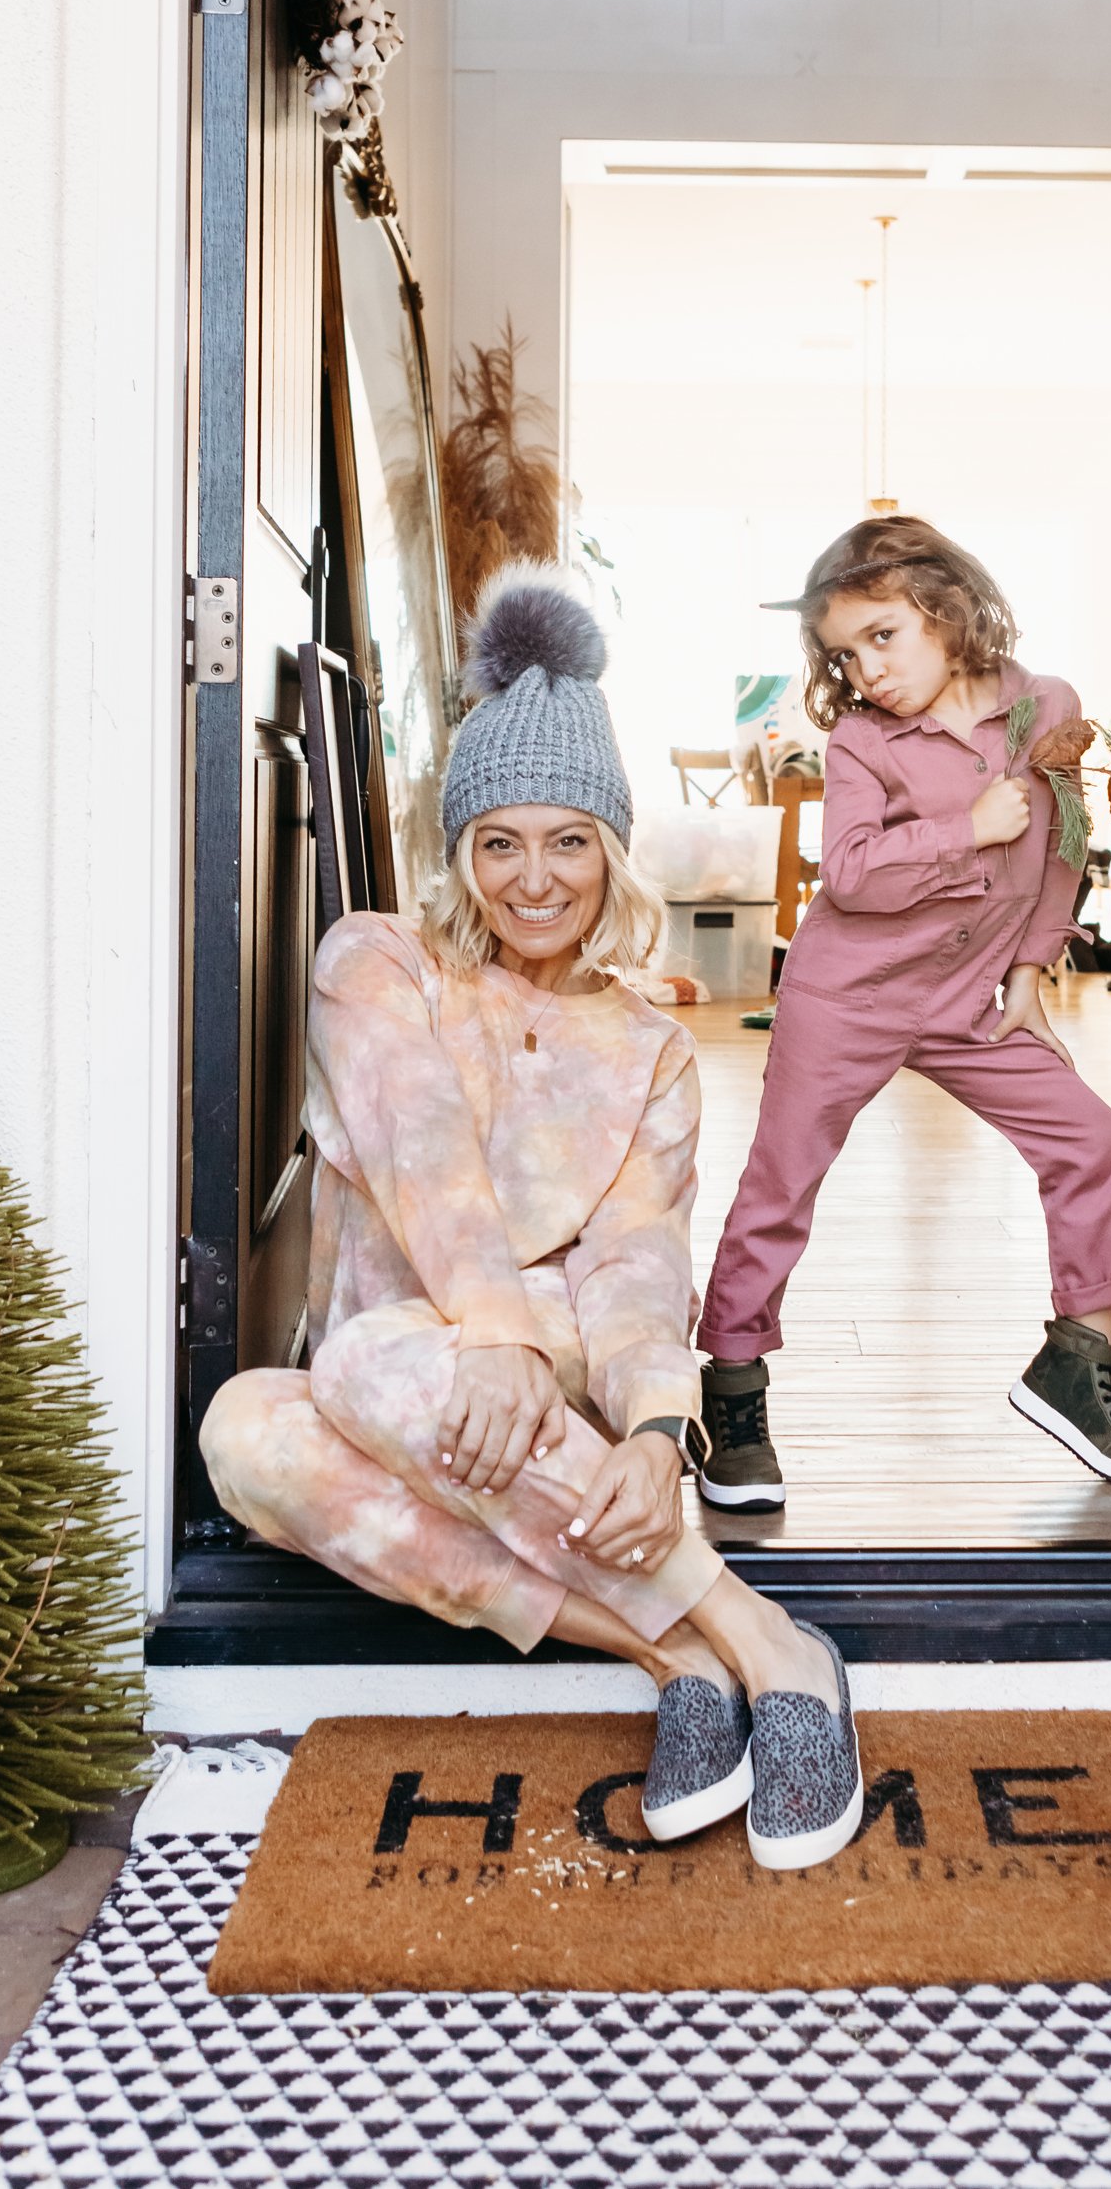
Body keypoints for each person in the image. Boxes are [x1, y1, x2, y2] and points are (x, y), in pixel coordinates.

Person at [202, 563, 863, 1870]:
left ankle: (736, 1651)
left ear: (610, 850)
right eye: (497, 840)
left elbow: (633, 1257)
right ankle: (715, 1644)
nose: (533, 877)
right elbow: (422, 1148)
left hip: (542, 1374)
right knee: (248, 1429)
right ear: (459, 850)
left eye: (567, 839)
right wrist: (485, 1322)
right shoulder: (375, 962)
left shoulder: (645, 1043)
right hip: (410, 1364)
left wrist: (660, 1432)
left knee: (379, 1358)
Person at [694, 516, 1111, 1512]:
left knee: (1089, 1137)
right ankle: (733, 1397)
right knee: (778, 1188)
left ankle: (1080, 1361)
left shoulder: (1044, 708)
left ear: (945, 610)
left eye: (881, 636)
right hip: (845, 996)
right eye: (841, 652)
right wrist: (964, 828)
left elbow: (1061, 847)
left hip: (970, 1001)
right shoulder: (858, 744)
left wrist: (1031, 977)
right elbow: (856, 876)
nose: (863, 669)